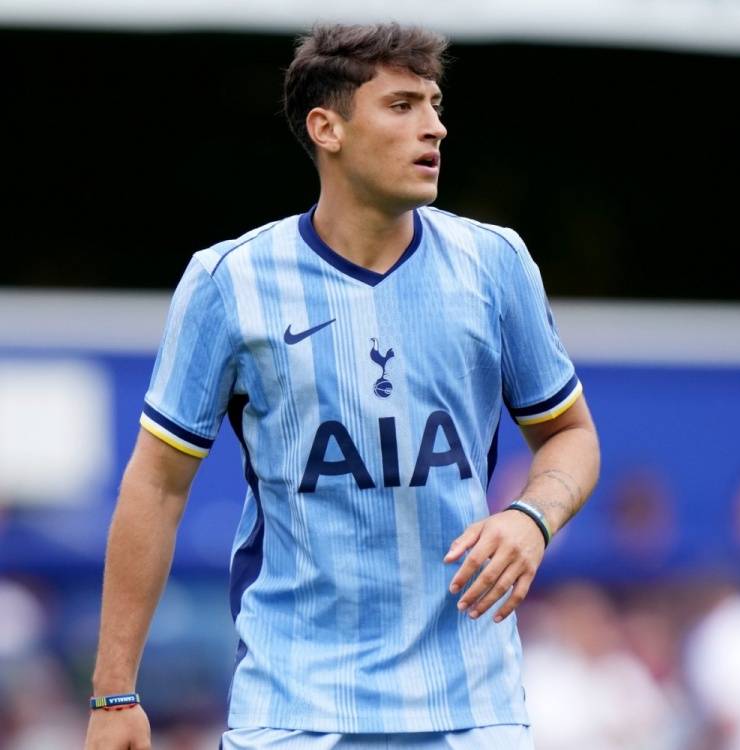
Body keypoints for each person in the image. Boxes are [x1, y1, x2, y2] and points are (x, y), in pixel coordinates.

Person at [84, 22, 600, 750]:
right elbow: (157, 487)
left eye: (435, 104)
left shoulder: (495, 264)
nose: (435, 127)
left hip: (472, 710)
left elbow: (570, 435)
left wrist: (531, 517)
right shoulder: (229, 282)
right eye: (402, 106)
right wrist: (114, 695)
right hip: (293, 711)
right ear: (327, 128)